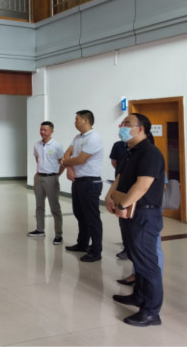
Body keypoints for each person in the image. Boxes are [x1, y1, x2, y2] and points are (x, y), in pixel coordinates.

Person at [105, 113, 165, 327]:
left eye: (127, 123)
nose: (122, 126)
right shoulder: (129, 152)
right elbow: (119, 178)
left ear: (141, 128)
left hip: (144, 214)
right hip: (129, 212)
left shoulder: (150, 152)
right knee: (136, 257)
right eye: (122, 123)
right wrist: (109, 197)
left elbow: (143, 185)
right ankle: (139, 296)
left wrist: (122, 204)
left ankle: (151, 312)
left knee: (147, 263)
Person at [60, 110, 104, 262]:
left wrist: (65, 162)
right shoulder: (78, 137)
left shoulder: (94, 138)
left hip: (90, 182)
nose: (75, 122)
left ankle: (96, 251)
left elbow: (81, 159)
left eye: (77, 119)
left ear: (85, 121)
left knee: (92, 217)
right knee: (80, 214)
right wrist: (69, 167)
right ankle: (82, 243)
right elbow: (67, 152)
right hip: (78, 181)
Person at [28, 121, 65, 245]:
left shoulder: (57, 146)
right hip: (39, 178)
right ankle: (40, 229)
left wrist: (55, 175)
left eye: (45, 130)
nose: (42, 132)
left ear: (51, 131)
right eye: (41, 129)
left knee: (55, 208)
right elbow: (38, 159)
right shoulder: (37, 145)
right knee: (39, 205)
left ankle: (58, 235)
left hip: (51, 178)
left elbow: (62, 163)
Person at [110, 140, 130, 261]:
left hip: (135, 192)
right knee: (123, 221)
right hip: (121, 189)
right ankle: (126, 248)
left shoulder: (147, 152)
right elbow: (115, 163)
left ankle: (132, 249)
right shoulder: (118, 146)